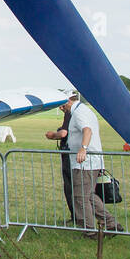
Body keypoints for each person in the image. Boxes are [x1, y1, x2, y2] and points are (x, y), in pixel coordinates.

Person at [62, 92, 122, 235]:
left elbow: (87, 130)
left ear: (69, 100)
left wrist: (83, 149)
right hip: (88, 161)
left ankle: (89, 231)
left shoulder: (79, 113)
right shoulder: (82, 110)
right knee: (89, 195)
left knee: (80, 197)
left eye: (62, 105)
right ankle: (111, 224)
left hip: (84, 163)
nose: (61, 108)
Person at [44, 96, 77, 224]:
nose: (61, 108)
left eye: (63, 105)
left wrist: (52, 135)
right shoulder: (80, 113)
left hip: (69, 155)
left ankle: (77, 217)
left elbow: (63, 133)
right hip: (75, 154)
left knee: (70, 186)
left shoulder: (70, 114)